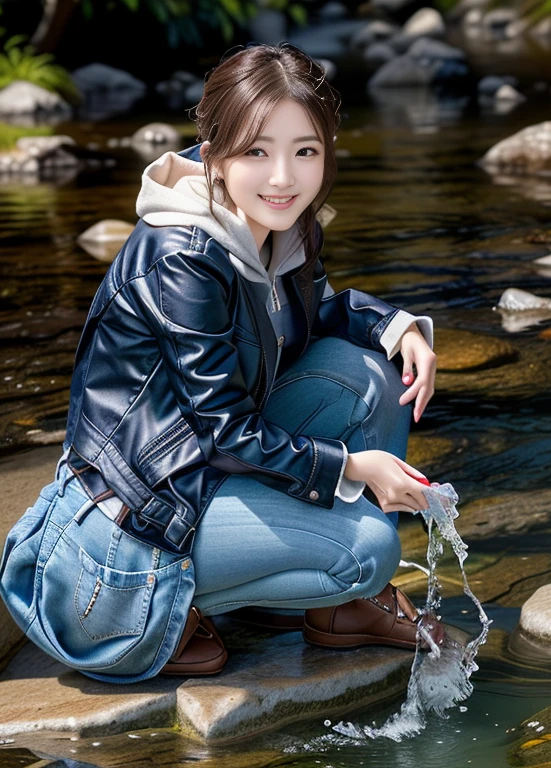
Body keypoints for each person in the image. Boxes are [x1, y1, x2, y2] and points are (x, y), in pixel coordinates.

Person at [0, 43, 438, 683]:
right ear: (213, 156)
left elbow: (311, 313)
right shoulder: (181, 257)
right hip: (133, 520)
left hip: (198, 474)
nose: (283, 176)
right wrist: (350, 468)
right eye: (257, 152)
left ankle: (341, 610)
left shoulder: (280, 227)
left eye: (305, 151)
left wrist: (398, 328)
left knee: (369, 376)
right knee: (367, 547)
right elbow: (224, 431)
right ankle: (181, 603)